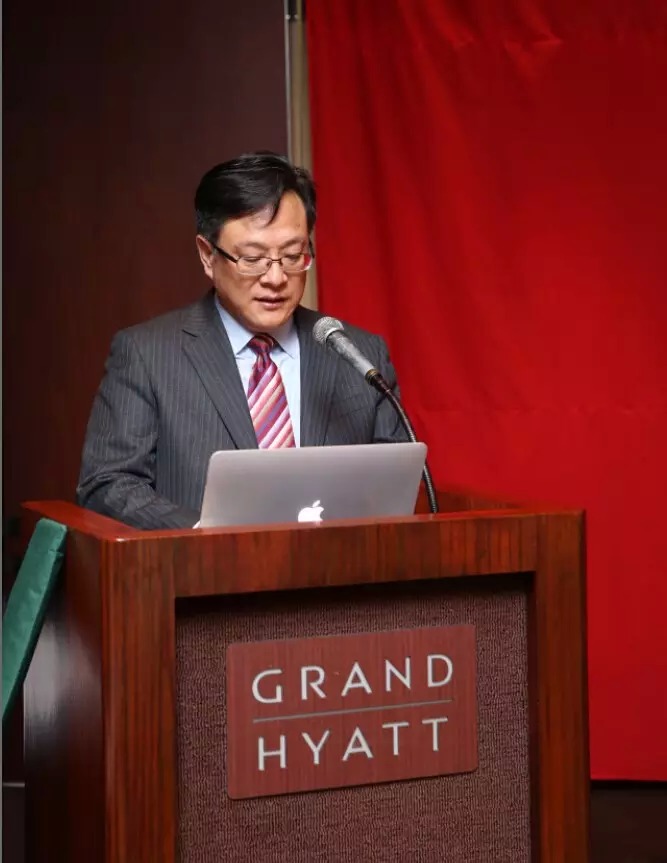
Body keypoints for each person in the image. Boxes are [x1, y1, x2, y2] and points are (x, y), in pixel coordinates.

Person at [77, 152, 407, 529]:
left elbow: (396, 483)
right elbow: (107, 484)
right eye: (252, 259)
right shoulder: (147, 355)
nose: (276, 278)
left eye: (293, 255)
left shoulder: (359, 355)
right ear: (207, 256)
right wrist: (208, 539)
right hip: (201, 564)